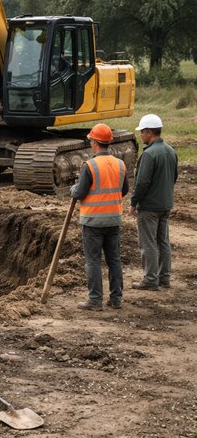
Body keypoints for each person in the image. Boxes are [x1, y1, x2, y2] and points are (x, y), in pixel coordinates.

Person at [70, 123, 129, 311]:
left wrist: (73, 188)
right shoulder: (120, 164)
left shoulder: (90, 165)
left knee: (93, 260)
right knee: (114, 259)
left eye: (90, 141)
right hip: (113, 219)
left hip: (93, 221)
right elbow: (124, 190)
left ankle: (95, 300)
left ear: (94, 142)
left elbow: (79, 193)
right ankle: (116, 299)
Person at [129, 114, 178, 289]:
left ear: (149, 132)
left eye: (142, 132)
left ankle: (150, 279)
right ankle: (164, 278)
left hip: (149, 207)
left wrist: (134, 203)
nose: (141, 135)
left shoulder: (149, 154)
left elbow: (142, 182)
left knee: (148, 242)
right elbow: (174, 177)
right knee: (163, 241)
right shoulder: (171, 151)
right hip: (165, 204)